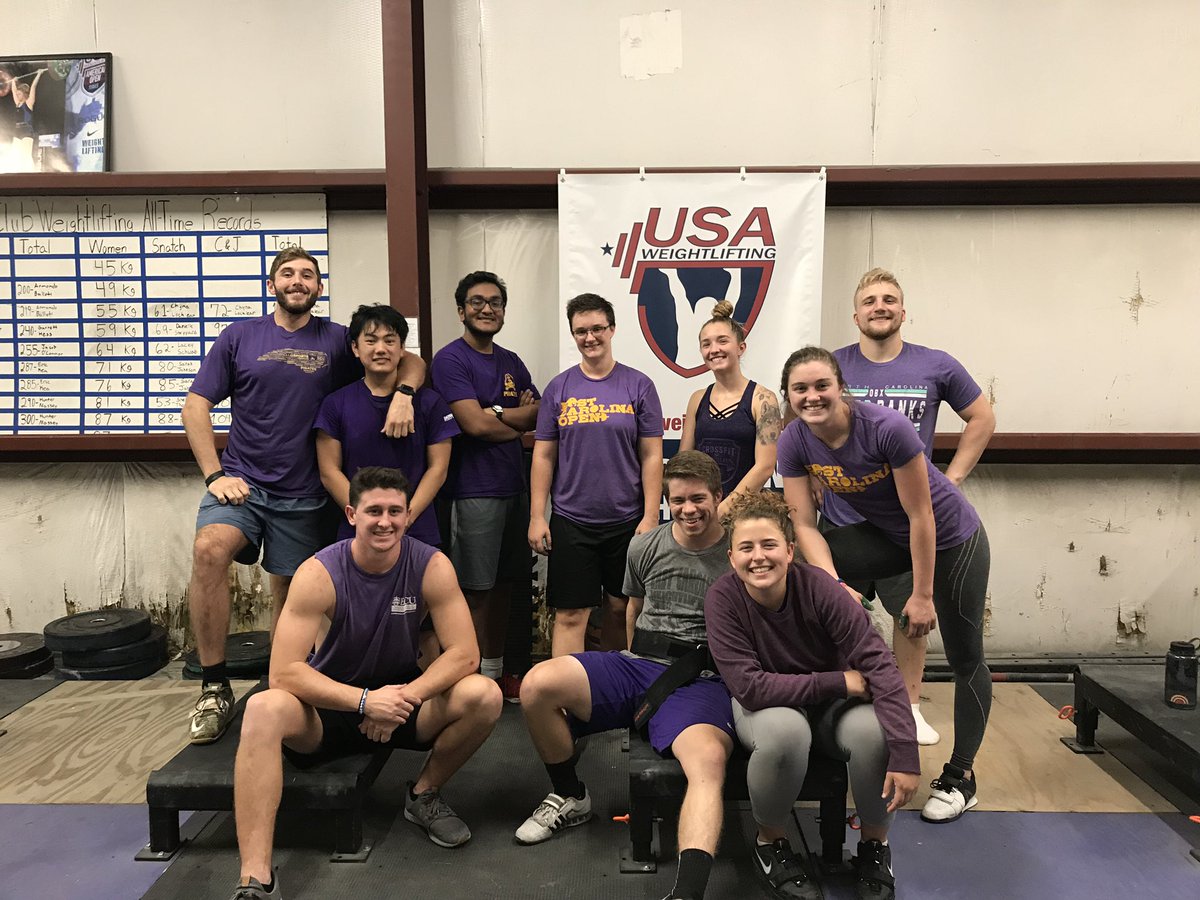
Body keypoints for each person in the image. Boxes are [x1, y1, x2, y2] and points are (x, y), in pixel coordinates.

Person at [183, 247, 424, 745]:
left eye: (308, 275)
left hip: (305, 494)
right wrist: (214, 475)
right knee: (209, 550)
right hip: (244, 484)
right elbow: (196, 404)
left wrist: (405, 394)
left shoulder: (335, 339)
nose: (298, 281)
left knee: (291, 595)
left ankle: (285, 690)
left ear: (318, 287)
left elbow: (412, 360)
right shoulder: (239, 336)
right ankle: (213, 687)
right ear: (272, 284)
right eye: (288, 273)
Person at [228, 467, 502, 900]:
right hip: (331, 706)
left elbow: (465, 653)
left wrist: (402, 698)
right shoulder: (319, 572)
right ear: (352, 514)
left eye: (395, 511)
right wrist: (364, 702)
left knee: (484, 694)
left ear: (408, 516)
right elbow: (284, 671)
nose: (385, 521)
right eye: (374, 511)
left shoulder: (430, 565)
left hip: (400, 702)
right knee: (264, 708)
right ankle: (256, 879)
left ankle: (423, 794)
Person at [778, 346, 991, 825]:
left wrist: (921, 594)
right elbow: (804, 526)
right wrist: (834, 583)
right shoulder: (794, 440)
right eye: (800, 389)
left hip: (951, 538)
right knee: (798, 575)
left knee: (965, 656)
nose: (812, 397)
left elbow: (922, 515)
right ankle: (826, 726)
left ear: (841, 387)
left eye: (821, 386)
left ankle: (961, 776)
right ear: (788, 396)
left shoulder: (885, 428)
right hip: (887, 536)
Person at [516, 451, 733, 900]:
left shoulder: (737, 552)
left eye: (698, 499)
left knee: (709, 762)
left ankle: (688, 892)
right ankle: (570, 795)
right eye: (678, 500)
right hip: (637, 663)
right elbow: (633, 609)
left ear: (718, 496)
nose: (688, 509)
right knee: (537, 685)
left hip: (700, 678)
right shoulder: (645, 545)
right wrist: (632, 663)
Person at [706, 491, 919, 900]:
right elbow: (750, 687)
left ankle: (875, 846)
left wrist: (906, 753)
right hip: (771, 705)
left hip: (829, 710)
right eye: (746, 548)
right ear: (731, 558)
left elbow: (881, 668)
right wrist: (836, 681)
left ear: (789, 551)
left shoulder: (822, 588)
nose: (758, 557)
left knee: (875, 734)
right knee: (786, 734)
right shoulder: (723, 599)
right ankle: (771, 842)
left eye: (769, 545)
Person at [821, 268, 995, 745]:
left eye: (889, 300)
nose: (879, 307)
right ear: (855, 315)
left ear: (902, 311)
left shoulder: (936, 365)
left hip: (906, 525)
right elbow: (803, 422)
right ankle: (839, 702)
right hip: (843, 520)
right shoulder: (833, 367)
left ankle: (909, 706)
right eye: (870, 301)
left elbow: (982, 418)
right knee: (833, 619)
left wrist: (951, 480)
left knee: (911, 617)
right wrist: (815, 480)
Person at [529, 293, 664, 655]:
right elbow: (543, 455)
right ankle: (567, 688)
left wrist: (651, 515)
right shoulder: (559, 388)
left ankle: (613, 683)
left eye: (597, 329)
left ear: (612, 329)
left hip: (627, 520)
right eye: (581, 331)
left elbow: (652, 455)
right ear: (573, 334)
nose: (589, 338)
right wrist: (537, 516)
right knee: (571, 615)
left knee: (621, 609)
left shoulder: (639, 385)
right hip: (572, 520)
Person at [430, 271, 540, 694]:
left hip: (514, 487)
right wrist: (513, 419)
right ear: (461, 311)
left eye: (495, 302)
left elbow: (540, 410)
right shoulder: (450, 360)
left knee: (506, 584)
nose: (487, 309)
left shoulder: (511, 360)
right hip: (472, 491)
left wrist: (494, 413)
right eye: (477, 302)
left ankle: (494, 671)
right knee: (475, 590)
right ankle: (468, 678)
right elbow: (473, 425)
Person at [315, 304, 459, 547]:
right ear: (355, 348)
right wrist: (363, 515)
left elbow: (438, 469)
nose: (381, 349)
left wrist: (405, 517)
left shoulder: (430, 403)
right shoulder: (335, 404)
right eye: (370, 341)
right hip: (356, 532)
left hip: (417, 528)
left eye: (390, 341)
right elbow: (329, 472)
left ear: (402, 348)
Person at [679, 300, 781, 518]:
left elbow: (765, 466)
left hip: (745, 515)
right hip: (702, 514)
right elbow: (685, 461)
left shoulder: (763, 399)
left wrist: (723, 510)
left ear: (741, 347)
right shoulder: (697, 399)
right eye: (706, 344)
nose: (714, 349)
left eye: (722, 341)